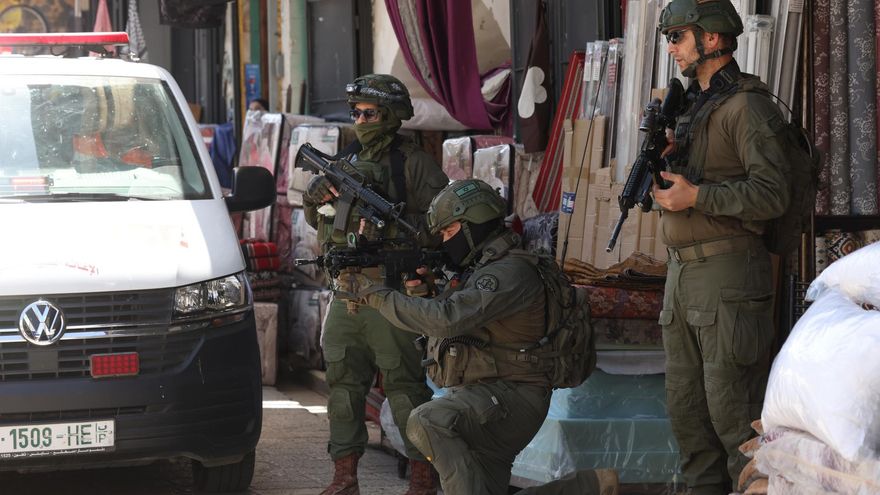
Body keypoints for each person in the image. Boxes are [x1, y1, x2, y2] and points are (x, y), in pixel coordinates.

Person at [334, 179, 619, 495]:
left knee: (428, 420)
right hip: (491, 396)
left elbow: (447, 319)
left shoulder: (507, 273)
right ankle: (591, 487)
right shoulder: (485, 269)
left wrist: (374, 294)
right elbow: (453, 312)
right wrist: (428, 293)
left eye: (449, 232)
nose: (444, 241)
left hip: (510, 398)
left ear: (475, 224)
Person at [652, 1, 791, 493]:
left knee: (735, 421)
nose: (670, 47)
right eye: (668, 37)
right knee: (689, 422)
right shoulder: (696, 106)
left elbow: (773, 194)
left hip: (729, 276)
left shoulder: (746, 106)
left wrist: (698, 195)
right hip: (683, 278)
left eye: (677, 36)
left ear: (711, 39)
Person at [302, 74, 449, 495]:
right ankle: (344, 476)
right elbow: (324, 223)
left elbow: (444, 225)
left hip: (390, 293)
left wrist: (393, 228)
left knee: (404, 388)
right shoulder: (344, 162)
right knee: (343, 389)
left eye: (370, 113)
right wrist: (315, 198)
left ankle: (423, 478)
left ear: (390, 116)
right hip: (346, 292)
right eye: (356, 113)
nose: (361, 120)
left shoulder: (414, 164)